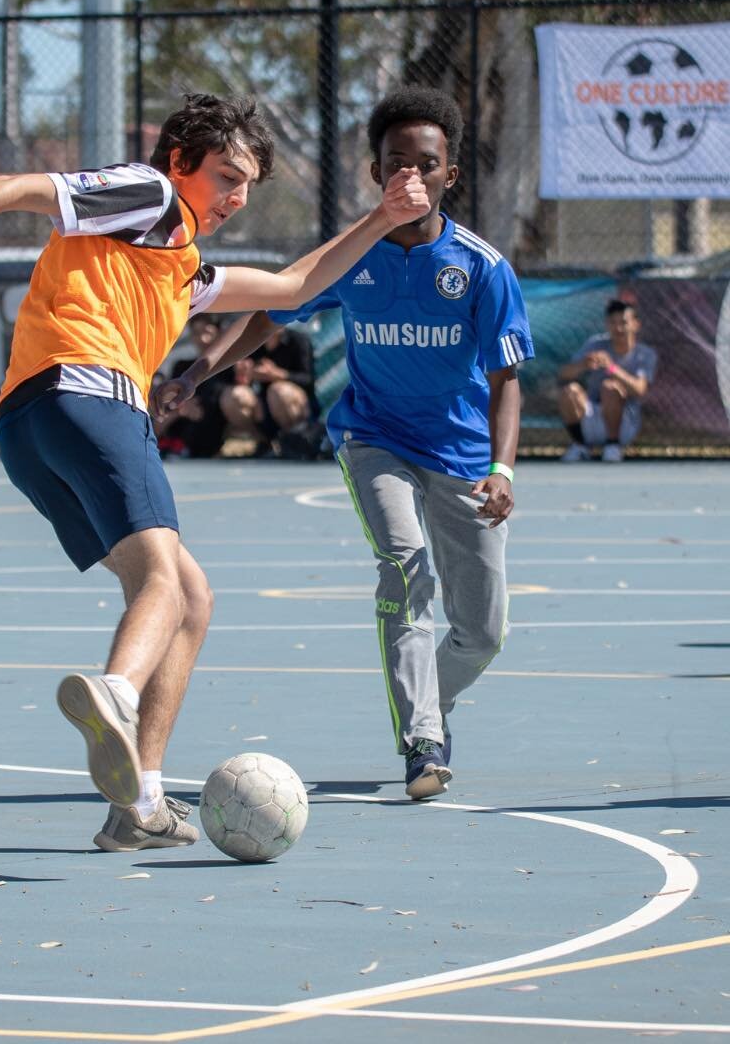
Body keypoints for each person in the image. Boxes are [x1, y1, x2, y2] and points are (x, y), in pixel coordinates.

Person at [0, 93, 430, 849]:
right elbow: (32, 188)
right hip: (87, 394)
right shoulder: (150, 195)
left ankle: (139, 807)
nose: (237, 197)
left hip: (30, 427)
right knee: (164, 581)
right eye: (226, 175)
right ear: (180, 163)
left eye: (249, 184)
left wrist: (382, 219)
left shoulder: (181, 261)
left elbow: (294, 287)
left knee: (189, 596)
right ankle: (115, 697)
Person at [153, 85, 534, 800]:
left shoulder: (482, 269)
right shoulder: (351, 256)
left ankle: (429, 700)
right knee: (404, 561)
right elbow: (268, 312)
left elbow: (507, 377)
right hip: (373, 436)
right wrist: (197, 374)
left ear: (450, 175)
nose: (411, 178)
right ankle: (423, 739)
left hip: (458, 454)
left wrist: (502, 466)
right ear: (377, 172)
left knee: (481, 632)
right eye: (397, 164)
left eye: (427, 165)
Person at [557, 298, 656, 462]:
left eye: (623, 322)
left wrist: (611, 368)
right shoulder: (595, 344)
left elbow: (640, 389)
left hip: (625, 423)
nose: (618, 328)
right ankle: (581, 445)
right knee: (569, 391)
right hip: (592, 418)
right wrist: (584, 364)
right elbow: (563, 374)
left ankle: (613, 445)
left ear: (635, 324)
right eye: (612, 322)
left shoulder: (645, 354)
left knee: (609, 387)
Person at [219, 323, 321, 457]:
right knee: (234, 395)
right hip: (263, 408)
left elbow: (308, 380)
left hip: (293, 406)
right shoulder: (251, 344)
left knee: (277, 391)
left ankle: (294, 441)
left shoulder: (298, 340)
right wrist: (244, 376)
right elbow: (231, 381)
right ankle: (262, 443)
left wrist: (277, 375)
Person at [152, 314, 232, 458]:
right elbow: (163, 412)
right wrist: (181, 409)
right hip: (181, 438)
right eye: (196, 333)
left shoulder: (231, 368)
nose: (202, 338)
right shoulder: (182, 367)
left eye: (207, 332)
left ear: (219, 333)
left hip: (214, 435)